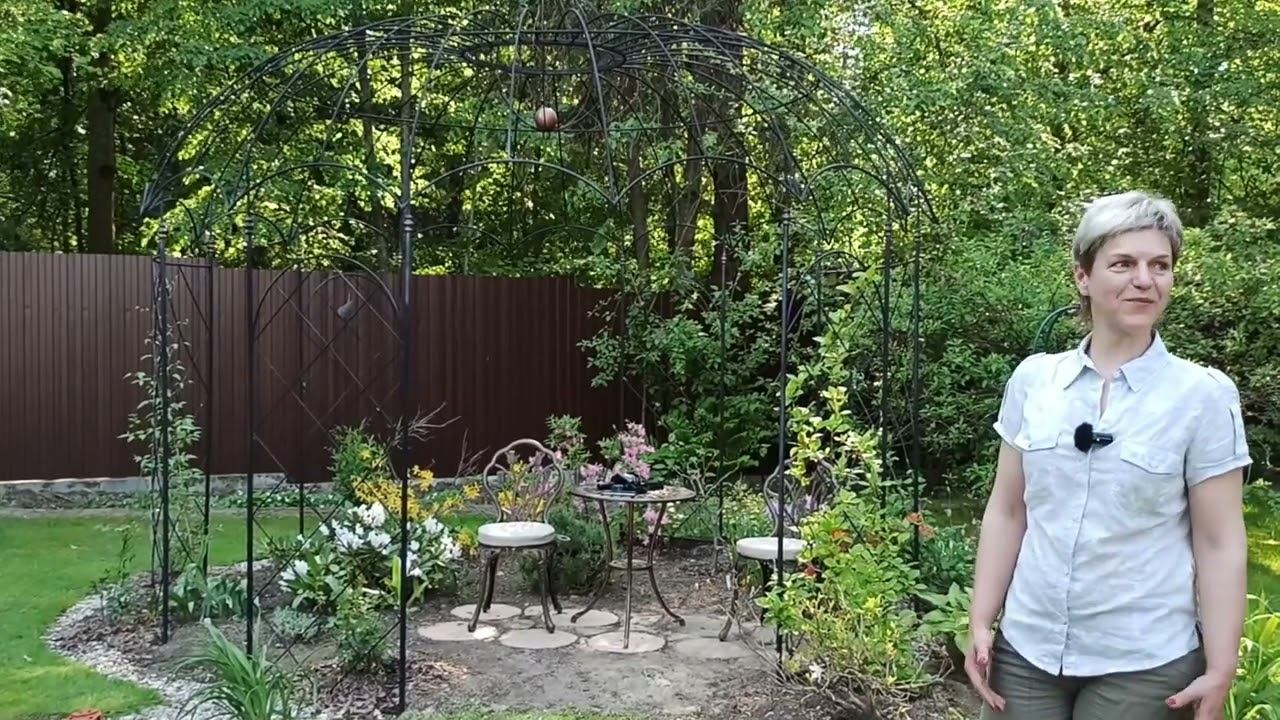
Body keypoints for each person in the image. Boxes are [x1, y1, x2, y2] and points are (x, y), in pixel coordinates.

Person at [966, 190, 1252, 720]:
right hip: (1026, 652)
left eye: (1159, 265)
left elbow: (1219, 542)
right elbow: (1008, 510)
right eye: (1123, 264)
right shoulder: (1034, 381)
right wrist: (981, 619)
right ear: (1083, 276)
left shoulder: (1203, 397)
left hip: (1144, 662)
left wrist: (1221, 666)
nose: (1145, 279)